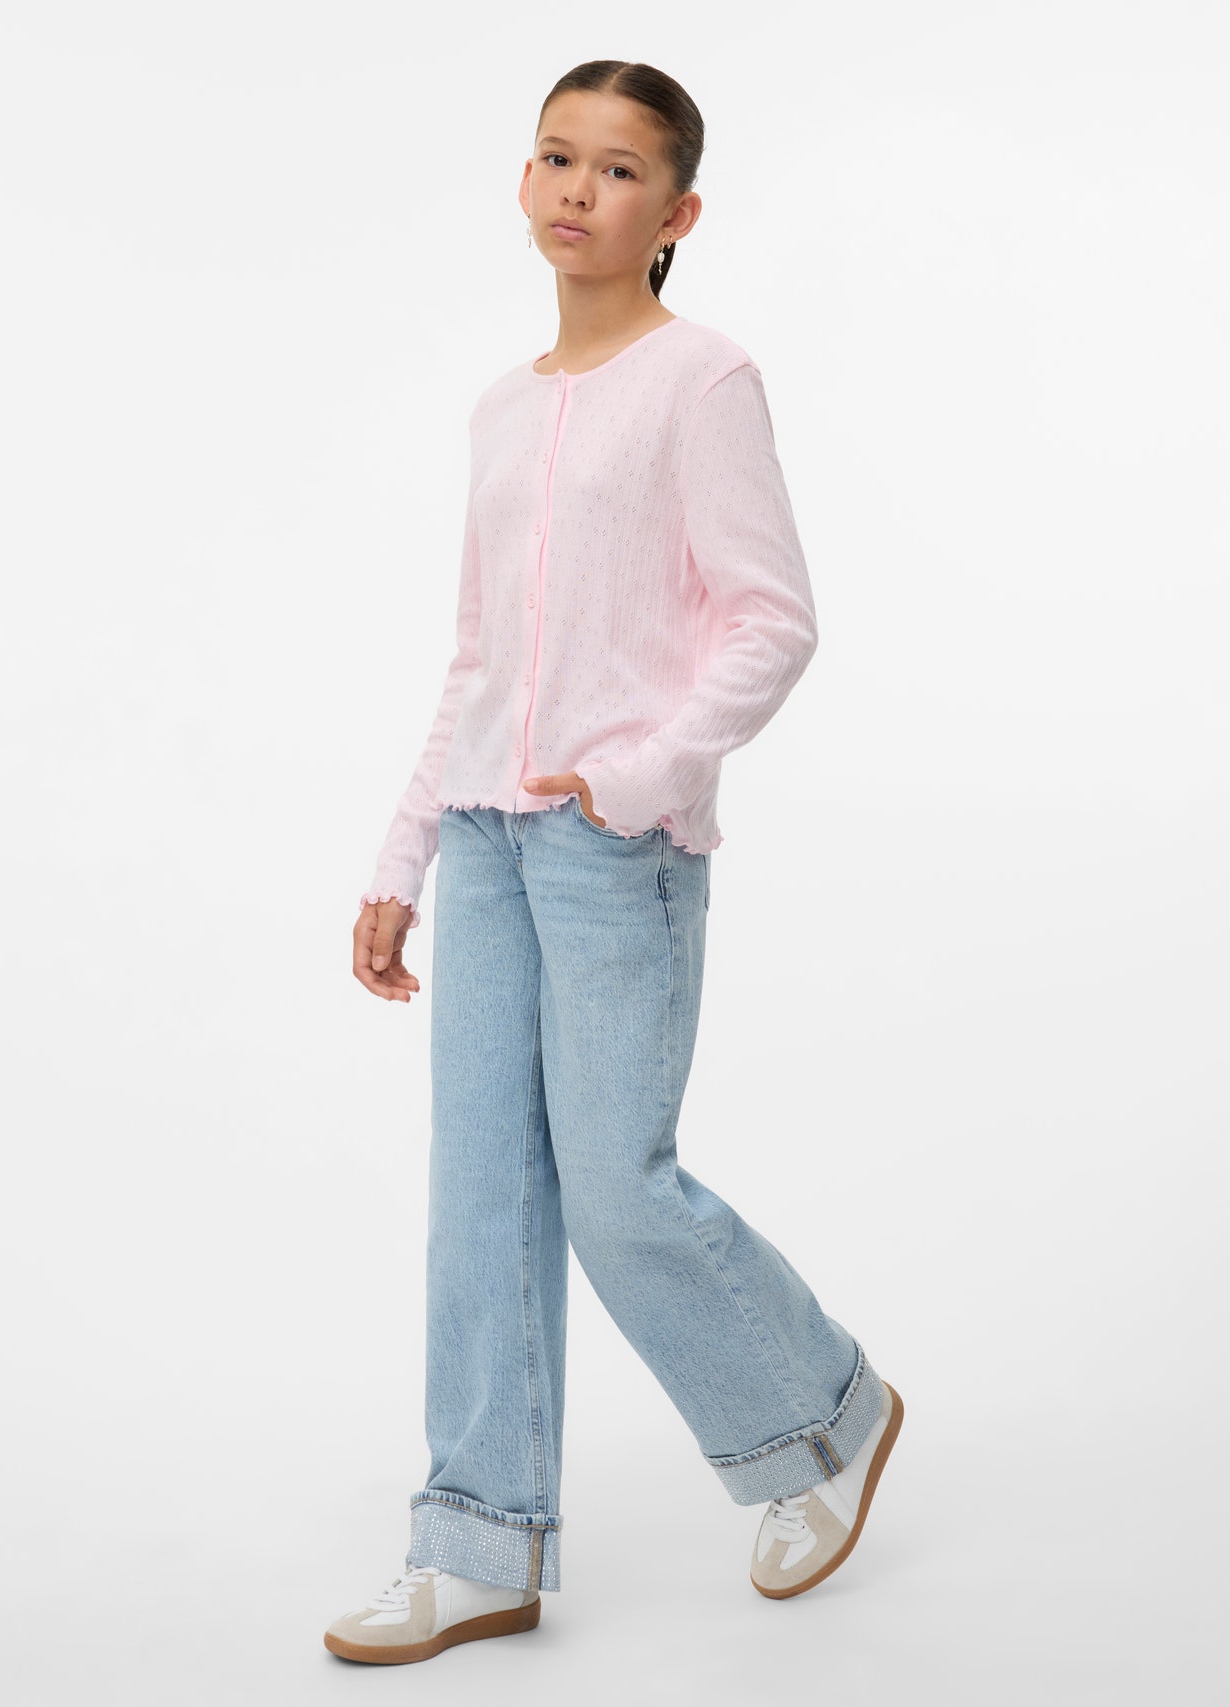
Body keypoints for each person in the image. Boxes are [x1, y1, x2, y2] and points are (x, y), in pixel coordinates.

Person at [325, 59, 903, 1668]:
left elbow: (772, 620)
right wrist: (404, 850)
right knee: (479, 1198)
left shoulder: (702, 380)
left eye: (621, 169)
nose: (580, 189)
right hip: (486, 840)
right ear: (524, 185)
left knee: (614, 1190)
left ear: (678, 214)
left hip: (612, 846)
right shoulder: (502, 409)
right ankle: (477, 1544)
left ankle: (825, 1415)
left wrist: (640, 778)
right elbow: (475, 657)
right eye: (557, 158)